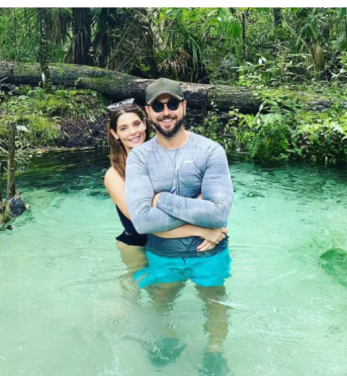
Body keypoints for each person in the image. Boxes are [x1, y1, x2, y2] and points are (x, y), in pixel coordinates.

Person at [124, 78, 234, 375]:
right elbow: (143, 221)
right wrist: (201, 217)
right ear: (148, 113)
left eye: (172, 104)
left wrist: (161, 199)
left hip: (210, 251)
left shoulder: (210, 151)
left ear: (184, 107)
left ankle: (214, 351)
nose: (166, 111)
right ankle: (168, 338)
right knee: (160, 298)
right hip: (164, 252)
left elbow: (220, 212)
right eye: (158, 106)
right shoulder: (139, 157)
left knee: (214, 299)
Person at [102, 102, 228, 303]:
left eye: (136, 124)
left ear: (145, 123)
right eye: (124, 128)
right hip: (137, 244)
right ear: (115, 134)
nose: (133, 132)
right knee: (148, 297)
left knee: (173, 294)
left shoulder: (160, 155)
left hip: (166, 243)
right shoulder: (114, 175)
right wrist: (201, 230)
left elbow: (195, 197)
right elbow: (142, 223)